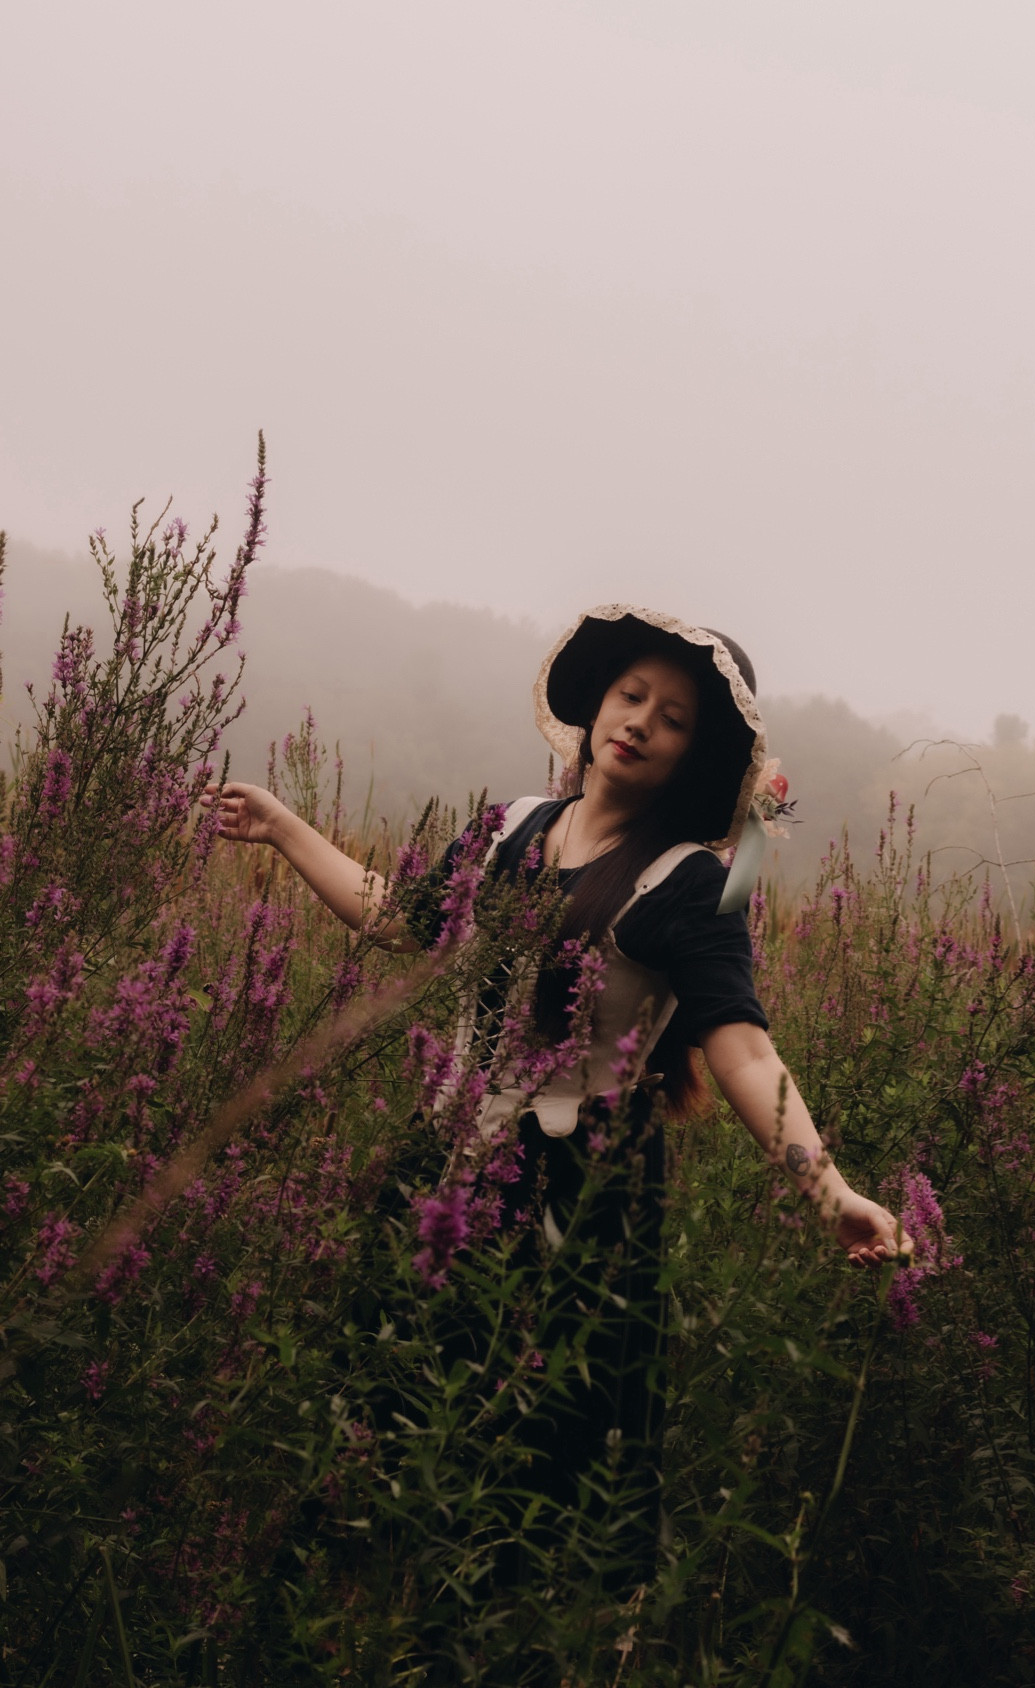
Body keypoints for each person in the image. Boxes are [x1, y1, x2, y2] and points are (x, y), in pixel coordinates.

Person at [204, 604, 913, 1586]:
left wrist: (828, 1188)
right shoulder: (508, 829)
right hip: (441, 1164)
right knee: (377, 1407)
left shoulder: (687, 888)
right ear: (593, 706)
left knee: (532, 1458)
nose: (639, 721)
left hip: (578, 1202)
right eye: (630, 695)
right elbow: (399, 917)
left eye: (671, 717)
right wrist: (283, 826)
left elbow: (744, 1051)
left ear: (692, 754)